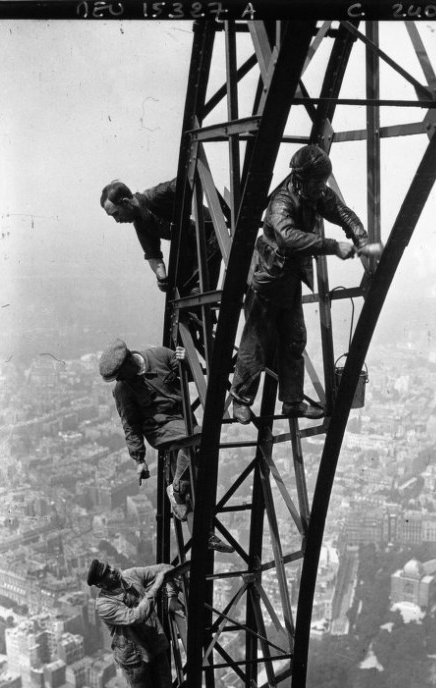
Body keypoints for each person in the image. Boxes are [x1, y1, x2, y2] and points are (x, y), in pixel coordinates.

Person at [230, 144, 383, 424]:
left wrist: (361, 238)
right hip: (266, 280)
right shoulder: (281, 203)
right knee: (256, 343)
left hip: (288, 279)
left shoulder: (315, 192)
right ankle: (239, 400)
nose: (322, 187)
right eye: (318, 182)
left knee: (294, 339)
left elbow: (341, 212)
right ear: (302, 179)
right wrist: (333, 245)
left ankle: (292, 402)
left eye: (324, 182)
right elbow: (289, 238)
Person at [99, 337, 233, 553]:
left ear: (129, 362)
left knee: (196, 479)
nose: (120, 379)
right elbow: (131, 425)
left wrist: (186, 361)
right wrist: (139, 460)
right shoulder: (123, 389)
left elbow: (189, 376)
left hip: (184, 422)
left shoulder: (160, 355)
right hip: (159, 429)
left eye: (119, 374)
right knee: (200, 442)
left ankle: (203, 533)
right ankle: (177, 489)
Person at [87, 558, 174, 688]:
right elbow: (134, 616)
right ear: (101, 584)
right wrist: (156, 588)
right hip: (133, 654)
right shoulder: (103, 605)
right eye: (108, 572)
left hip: (154, 642)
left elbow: (165, 570)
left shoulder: (131, 575)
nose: (113, 570)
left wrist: (170, 591)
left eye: (110, 566)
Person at [100, 178, 221, 296]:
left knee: (197, 293)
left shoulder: (155, 195)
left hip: (211, 234)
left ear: (125, 202)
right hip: (190, 247)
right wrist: (162, 278)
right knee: (186, 297)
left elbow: (189, 178)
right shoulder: (141, 224)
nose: (117, 220)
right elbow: (153, 256)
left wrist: (195, 213)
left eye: (116, 214)